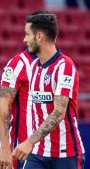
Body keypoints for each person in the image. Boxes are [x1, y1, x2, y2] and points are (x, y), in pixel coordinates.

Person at [12, 11, 85, 169]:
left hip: (66, 154)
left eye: (27, 34)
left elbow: (59, 112)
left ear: (39, 36)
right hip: (38, 153)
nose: (24, 39)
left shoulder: (64, 66)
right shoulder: (33, 67)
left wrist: (29, 141)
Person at [0, 44, 37, 168]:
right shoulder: (18, 64)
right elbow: (2, 106)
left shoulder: (60, 65)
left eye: (28, 34)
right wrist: (4, 148)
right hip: (22, 150)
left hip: (52, 150)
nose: (25, 39)